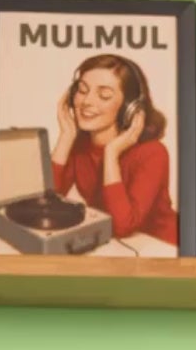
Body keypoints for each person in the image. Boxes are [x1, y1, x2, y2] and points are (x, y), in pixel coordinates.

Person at [50, 52, 179, 249]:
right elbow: (46, 205)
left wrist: (111, 154)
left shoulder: (153, 153)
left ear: (129, 107)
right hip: (118, 247)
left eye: (104, 95)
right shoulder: (79, 145)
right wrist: (66, 136)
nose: (87, 101)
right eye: (82, 90)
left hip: (164, 246)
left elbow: (123, 226)